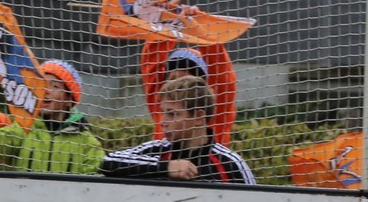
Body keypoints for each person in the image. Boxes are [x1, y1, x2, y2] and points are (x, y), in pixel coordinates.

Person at [99, 74, 255, 184]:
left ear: (199, 117)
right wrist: (166, 167)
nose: (163, 122)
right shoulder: (156, 150)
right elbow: (109, 162)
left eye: (172, 114)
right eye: (163, 113)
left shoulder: (230, 163)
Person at [138, 0, 237, 146]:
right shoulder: (162, 104)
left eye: (186, 81)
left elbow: (222, 75)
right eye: (173, 79)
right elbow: (152, 58)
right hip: (164, 163)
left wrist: (199, 24)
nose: (177, 86)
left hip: (203, 164)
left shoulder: (214, 111)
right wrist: (171, 13)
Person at [0, 59, 104, 175]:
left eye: (54, 86)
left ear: (70, 100)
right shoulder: (23, 128)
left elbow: (96, 179)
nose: (46, 91)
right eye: (41, 85)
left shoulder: (87, 143)